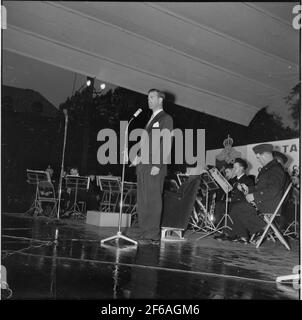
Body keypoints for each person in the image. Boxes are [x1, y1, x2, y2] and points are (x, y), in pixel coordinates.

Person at [215, 143, 288, 243]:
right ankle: (241, 235)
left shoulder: (276, 169)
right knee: (237, 207)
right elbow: (260, 187)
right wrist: (249, 189)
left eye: (259, 158)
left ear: (266, 155)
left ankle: (263, 228)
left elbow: (273, 190)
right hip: (264, 201)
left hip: (269, 204)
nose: (258, 160)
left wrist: (254, 196)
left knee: (238, 207)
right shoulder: (268, 169)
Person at [131, 89, 173, 244]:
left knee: (153, 200)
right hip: (143, 165)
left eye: (151, 97)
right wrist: (138, 157)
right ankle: (144, 231)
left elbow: (166, 142)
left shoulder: (165, 118)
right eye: (147, 97)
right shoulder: (151, 119)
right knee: (143, 200)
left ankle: (152, 234)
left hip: (154, 166)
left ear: (160, 100)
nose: (148, 100)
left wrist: (158, 164)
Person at [214, 158, 254, 224]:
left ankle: (226, 229)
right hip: (233, 202)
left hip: (241, 203)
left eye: (236, 167)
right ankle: (220, 227)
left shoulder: (248, 180)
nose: (234, 169)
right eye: (233, 167)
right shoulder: (233, 180)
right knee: (219, 204)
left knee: (228, 206)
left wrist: (231, 199)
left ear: (241, 168)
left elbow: (247, 195)